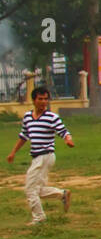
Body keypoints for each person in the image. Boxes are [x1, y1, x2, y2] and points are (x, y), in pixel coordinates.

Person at [6, 85, 74, 226]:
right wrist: (13, 152)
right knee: (37, 190)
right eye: (40, 99)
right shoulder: (27, 117)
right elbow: (24, 136)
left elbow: (63, 131)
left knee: (30, 189)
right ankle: (62, 194)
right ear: (34, 100)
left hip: (45, 156)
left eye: (46, 99)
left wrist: (68, 139)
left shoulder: (51, 117)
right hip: (37, 157)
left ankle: (39, 218)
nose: (43, 102)